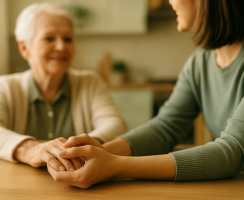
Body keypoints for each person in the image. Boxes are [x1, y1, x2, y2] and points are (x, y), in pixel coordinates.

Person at [47, 0, 244, 188]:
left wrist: (116, 166)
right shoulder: (200, 62)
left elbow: (233, 152)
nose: (170, 2)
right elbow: (165, 128)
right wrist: (102, 151)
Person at [0, 2, 126, 172]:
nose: (61, 47)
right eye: (49, 38)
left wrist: (87, 147)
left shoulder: (90, 82)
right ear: (24, 48)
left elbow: (115, 124)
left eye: (68, 39)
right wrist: (31, 149)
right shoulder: (5, 87)